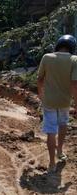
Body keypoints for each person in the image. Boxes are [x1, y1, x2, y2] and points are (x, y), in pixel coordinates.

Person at [37, 34, 77, 173]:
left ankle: (52, 162)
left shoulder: (47, 57)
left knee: (51, 131)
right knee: (63, 124)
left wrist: (41, 95)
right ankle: (60, 150)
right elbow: (74, 84)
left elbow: (40, 79)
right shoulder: (74, 60)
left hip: (49, 101)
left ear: (58, 45)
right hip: (65, 101)